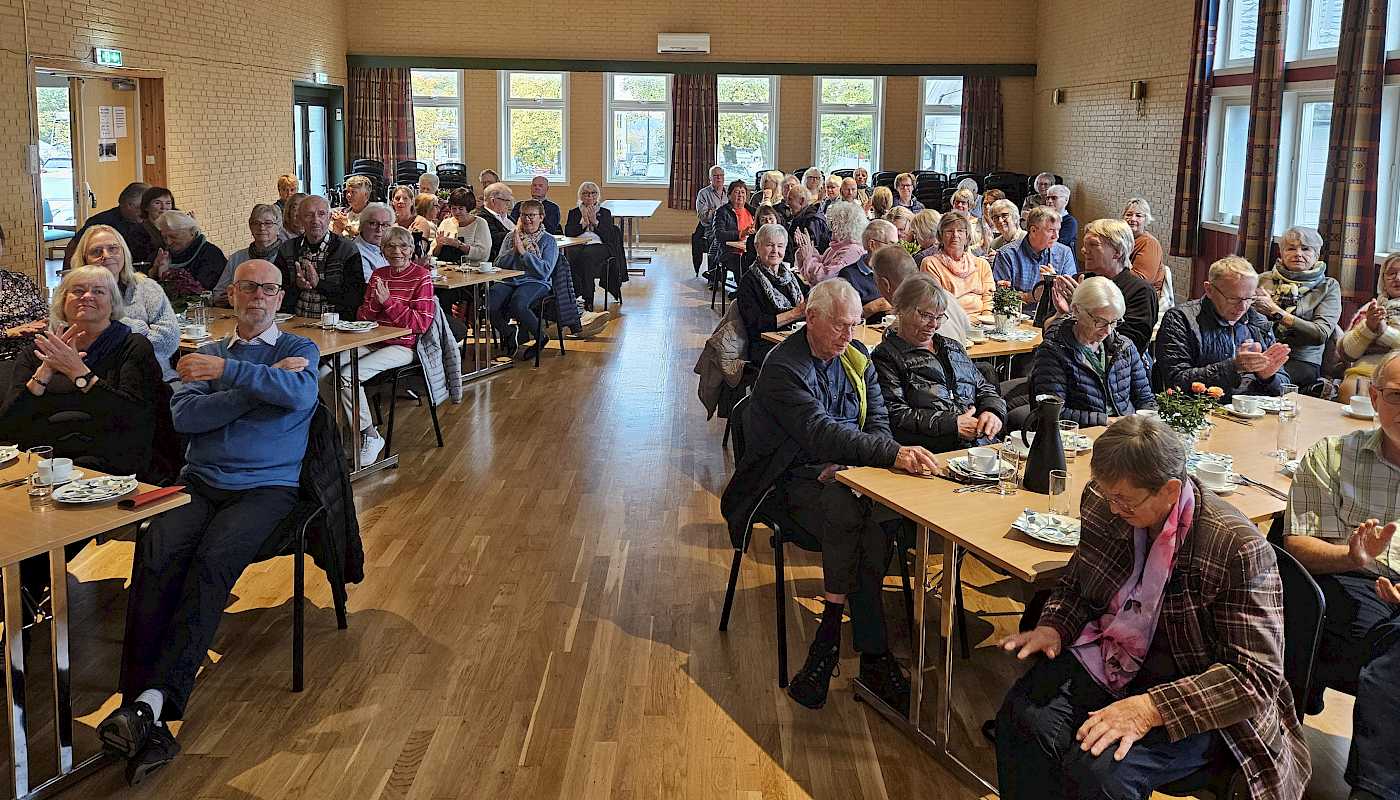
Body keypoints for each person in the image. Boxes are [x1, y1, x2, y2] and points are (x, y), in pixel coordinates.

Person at [995, 414, 1308, 800]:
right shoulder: (1104, 500)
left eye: (1124, 500)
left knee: (1100, 774)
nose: (1111, 509)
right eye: (1106, 494)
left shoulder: (1236, 547)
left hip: (1192, 686)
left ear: (1171, 490)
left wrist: (1149, 708)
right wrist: (1054, 626)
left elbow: (1255, 679)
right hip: (1113, 657)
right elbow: (1079, 581)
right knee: (1025, 721)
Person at [97, 258, 319, 786]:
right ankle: (139, 705)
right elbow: (184, 418)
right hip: (200, 483)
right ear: (233, 295)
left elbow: (301, 395)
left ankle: (149, 705)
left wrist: (228, 380)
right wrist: (251, 387)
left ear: (280, 298)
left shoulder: (298, 350)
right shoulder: (207, 353)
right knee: (154, 551)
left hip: (267, 488)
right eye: (248, 287)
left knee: (213, 560)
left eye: (268, 289)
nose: (258, 297)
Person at [719, 278, 941, 712]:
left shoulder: (857, 357)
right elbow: (818, 431)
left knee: (868, 509)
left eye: (855, 325)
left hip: (844, 479)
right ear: (811, 318)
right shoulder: (784, 366)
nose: (849, 335)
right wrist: (888, 456)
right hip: (781, 483)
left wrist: (868, 462)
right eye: (840, 326)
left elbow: (878, 420)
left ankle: (830, 641)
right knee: (857, 510)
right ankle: (870, 655)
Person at [1284, 350, 1400, 800]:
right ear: (1373, 397)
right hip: (1358, 582)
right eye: (1396, 396)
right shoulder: (1332, 456)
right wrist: (1351, 557)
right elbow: (1296, 547)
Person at [0, 264, 171, 480]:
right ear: (63, 302)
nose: (87, 296)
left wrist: (79, 373)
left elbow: (134, 418)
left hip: (112, 467)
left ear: (113, 304)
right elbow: (8, 427)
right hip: (43, 467)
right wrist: (44, 372)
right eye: (78, 291)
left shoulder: (133, 346)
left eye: (98, 291)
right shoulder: (37, 352)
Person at [326, 225, 435, 464]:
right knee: (321, 372)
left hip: (403, 346)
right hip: (372, 339)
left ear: (412, 249)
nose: (397, 251)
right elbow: (364, 317)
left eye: (403, 246)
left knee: (346, 376)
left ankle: (370, 435)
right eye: (390, 246)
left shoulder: (421, 276)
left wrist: (388, 303)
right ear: (383, 250)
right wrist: (376, 303)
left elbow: (420, 324)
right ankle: (342, 434)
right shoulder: (379, 274)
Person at [872, 274, 1005, 452]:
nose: (933, 325)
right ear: (901, 309)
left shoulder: (952, 348)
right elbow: (895, 415)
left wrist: (992, 412)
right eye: (926, 315)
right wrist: (953, 425)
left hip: (979, 446)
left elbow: (984, 388)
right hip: (931, 452)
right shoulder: (886, 357)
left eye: (940, 317)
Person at [1154, 256, 1290, 399]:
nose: (1242, 307)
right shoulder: (1181, 319)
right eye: (1233, 299)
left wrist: (1267, 377)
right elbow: (1175, 380)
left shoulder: (1258, 322)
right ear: (1209, 290)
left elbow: (1284, 385)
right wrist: (1234, 367)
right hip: (1199, 411)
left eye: (1250, 298)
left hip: (1250, 411)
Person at [1030, 277, 1156, 427]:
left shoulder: (1124, 347)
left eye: (1114, 322)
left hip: (1125, 433)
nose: (1108, 331)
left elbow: (1146, 399)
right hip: (1081, 436)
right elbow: (1054, 412)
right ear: (1076, 310)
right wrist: (1108, 421)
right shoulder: (1053, 351)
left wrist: (1147, 419)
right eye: (1100, 321)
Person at [69, 225, 180, 382]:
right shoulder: (73, 294)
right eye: (96, 252)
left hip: (153, 378)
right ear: (84, 259)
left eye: (113, 249)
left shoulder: (147, 287)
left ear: (123, 253)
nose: (106, 256)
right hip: (92, 379)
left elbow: (168, 340)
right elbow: (73, 341)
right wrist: (139, 328)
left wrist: (113, 331)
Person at [1046, 218, 1157, 356]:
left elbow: (1129, 347)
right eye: (1085, 245)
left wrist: (1081, 309)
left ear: (1118, 252)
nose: (1084, 250)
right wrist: (1061, 313)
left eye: (1093, 244)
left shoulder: (1140, 291)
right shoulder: (1080, 281)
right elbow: (1046, 330)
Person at [1252, 226, 1342, 390]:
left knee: (1258, 382)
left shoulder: (1328, 286)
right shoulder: (1263, 279)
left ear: (1316, 255)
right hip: (1260, 351)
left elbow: (1320, 334)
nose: (1298, 254)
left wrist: (1276, 312)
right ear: (1282, 253)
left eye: (1306, 249)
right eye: (1291, 248)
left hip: (1301, 360)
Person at [274, 195, 366, 322]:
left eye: (321, 214)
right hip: (295, 324)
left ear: (329, 218)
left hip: (335, 326)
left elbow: (354, 298)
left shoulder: (347, 249)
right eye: (308, 215)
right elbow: (275, 294)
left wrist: (319, 284)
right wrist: (297, 286)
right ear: (300, 219)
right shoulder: (287, 249)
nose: (315, 220)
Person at [488, 199, 558, 361]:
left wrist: (524, 254)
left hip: (535, 281)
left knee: (519, 303)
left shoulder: (548, 240)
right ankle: (510, 333)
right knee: (489, 305)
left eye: (532, 215)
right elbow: (498, 264)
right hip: (509, 279)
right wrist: (515, 250)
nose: (527, 219)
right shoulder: (510, 237)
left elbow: (545, 271)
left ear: (541, 217)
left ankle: (541, 336)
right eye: (524, 215)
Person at [735, 223, 806, 365]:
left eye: (780, 246)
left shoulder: (791, 278)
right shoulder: (749, 281)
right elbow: (755, 324)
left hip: (795, 338)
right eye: (769, 245)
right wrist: (794, 313)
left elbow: (809, 301)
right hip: (765, 345)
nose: (775, 250)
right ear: (757, 247)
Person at [1339, 254, 1400, 404]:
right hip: (1366, 374)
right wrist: (1368, 327)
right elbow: (1346, 352)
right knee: (1350, 388)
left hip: (1396, 374)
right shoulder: (1370, 308)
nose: (1398, 278)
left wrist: (1384, 332)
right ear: (1383, 281)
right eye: (1391, 273)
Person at [993, 206, 1076, 303]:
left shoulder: (1064, 253)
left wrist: (1055, 285)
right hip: (1019, 315)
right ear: (1033, 230)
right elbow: (1000, 296)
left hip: (1055, 315)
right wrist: (1032, 296)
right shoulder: (1007, 255)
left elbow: (1072, 295)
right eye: (1051, 230)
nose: (1056, 236)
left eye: (1058, 230)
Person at [564, 182, 625, 311]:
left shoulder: (605, 212)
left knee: (587, 254)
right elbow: (568, 233)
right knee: (572, 255)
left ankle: (588, 299)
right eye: (585, 193)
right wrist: (583, 223)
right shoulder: (574, 212)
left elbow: (609, 236)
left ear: (597, 195)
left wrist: (595, 222)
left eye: (593, 193)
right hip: (578, 244)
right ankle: (574, 295)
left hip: (600, 246)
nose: (589, 196)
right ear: (581, 196)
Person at [921, 211, 994, 317]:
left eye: (960, 231)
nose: (955, 235)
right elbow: (935, 302)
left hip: (981, 320)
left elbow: (989, 297)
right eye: (949, 231)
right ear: (940, 237)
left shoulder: (982, 264)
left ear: (967, 236)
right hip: (949, 321)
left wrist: (986, 318)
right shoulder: (931, 263)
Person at [62, 181, 149, 267]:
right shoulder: (101, 221)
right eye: (143, 208)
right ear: (129, 205)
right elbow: (74, 248)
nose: (147, 212)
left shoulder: (148, 222)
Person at [213, 204, 285, 303]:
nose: (262, 227)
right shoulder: (236, 258)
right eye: (256, 223)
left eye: (268, 223)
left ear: (279, 228)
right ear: (250, 227)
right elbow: (218, 293)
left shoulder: (287, 255)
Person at [0, 222, 49, 364]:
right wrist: (8, 332)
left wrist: (44, 324)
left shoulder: (20, 281)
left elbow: (43, 316)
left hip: (34, 356)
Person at [837, 219, 899, 322]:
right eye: (890, 244)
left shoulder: (896, 271)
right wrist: (873, 307)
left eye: (897, 245)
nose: (895, 250)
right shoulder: (849, 276)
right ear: (872, 245)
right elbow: (843, 317)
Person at [1123, 198, 1172, 326]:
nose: (1132, 219)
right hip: (1125, 292)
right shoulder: (1123, 239)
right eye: (1128, 214)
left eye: (1139, 215)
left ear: (1146, 220)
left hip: (1141, 300)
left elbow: (1141, 281)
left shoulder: (1149, 243)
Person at [794, 201, 867, 286]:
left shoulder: (852, 251)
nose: (830, 228)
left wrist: (808, 256)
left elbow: (822, 278)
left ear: (844, 227)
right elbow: (812, 271)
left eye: (834, 223)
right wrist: (806, 247)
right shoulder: (837, 247)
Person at [151, 211, 227, 291]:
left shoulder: (210, 254)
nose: (169, 242)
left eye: (174, 236)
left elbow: (199, 291)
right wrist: (154, 270)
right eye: (164, 238)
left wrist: (166, 276)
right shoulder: (162, 254)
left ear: (192, 232)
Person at [709, 180, 754, 289]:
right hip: (729, 252)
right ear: (729, 195)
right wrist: (741, 233)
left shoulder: (752, 211)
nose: (740, 195)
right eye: (736, 192)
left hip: (749, 250)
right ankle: (743, 292)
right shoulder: (722, 212)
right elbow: (719, 234)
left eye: (743, 192)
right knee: (741, 260)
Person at [433, 189, 491, 264]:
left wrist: (459, 245)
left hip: (473, 270)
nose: (457, 212)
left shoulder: (480, 223)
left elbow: (483, 254)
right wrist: (439, 246)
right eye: (454, 208)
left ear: (469, 208)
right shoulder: (445, 223)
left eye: (461, 209)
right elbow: (433, 254)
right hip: (447, 270)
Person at [693, 165, 727, 276]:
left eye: (721, 175)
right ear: (710, 178)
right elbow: (703, 217)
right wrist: (719, 214)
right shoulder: (703, 193)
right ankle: (713, 275)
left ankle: (734, 273)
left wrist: (713, 210)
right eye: (715, 176)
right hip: (711, 228)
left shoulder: (729, 193)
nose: (719, 178)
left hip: (729, 227)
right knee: (716, 240)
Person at [785, 185, 830, 264]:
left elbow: (813, 249)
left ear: (802, 201)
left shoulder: (812, 220)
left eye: (790, 199)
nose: (787, 203)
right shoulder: (801, 217)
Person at [135, 186, 177, 266]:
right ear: (146, 207)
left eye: (168, 203)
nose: (163, 207)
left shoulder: (176, 227)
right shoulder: (138, 231)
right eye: (157, 203)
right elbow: (143, 260)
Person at [351, 203, 393, 281]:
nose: (379, 229)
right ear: (362, 225)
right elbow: (373, 287)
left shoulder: (388, 246)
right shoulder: (356, 254)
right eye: (373, 223)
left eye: (385, 225)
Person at [477, 182, 516, 260]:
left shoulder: (507, 217)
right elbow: (495, 239)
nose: (508, 204)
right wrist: (516, 233)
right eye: (506, 201)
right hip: (496, 261)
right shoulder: (482, 218)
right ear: (493, 201)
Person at [1045, 185, 1078, 264]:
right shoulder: (1044, 219)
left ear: (1066, 200)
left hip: (1063, 262)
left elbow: (1058, 244)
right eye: (1047, 198)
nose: (1049, 201)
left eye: (1054, 198)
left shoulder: (1070, 222)